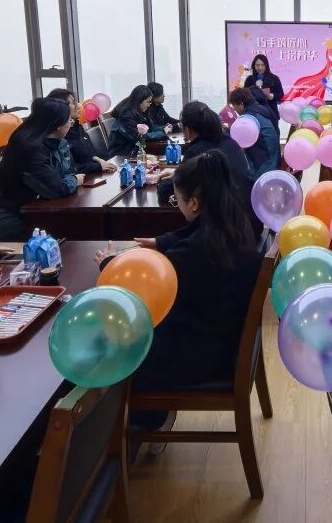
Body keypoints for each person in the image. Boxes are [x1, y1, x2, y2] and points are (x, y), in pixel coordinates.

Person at [97, 150, 261, 392]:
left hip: (202, 353)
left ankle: (140, 410)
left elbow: (147, 290)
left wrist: (109, 264)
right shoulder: (233, 220)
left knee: (113, 344)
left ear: (193, 203)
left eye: (177, 201)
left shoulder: (195, 252)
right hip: (222, 333)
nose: (177, 205)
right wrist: (161, 242)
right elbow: (192, 231)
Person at [0, 97, 84, 240]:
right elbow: (57, 189)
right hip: (20, 222)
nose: (71, 123)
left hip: (43, 211)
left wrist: (69, 178)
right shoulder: (29, 149)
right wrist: (74, 180)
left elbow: (69, 171)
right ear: (57, 125)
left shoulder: (57, 142)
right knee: (77, 232)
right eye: (69, 121)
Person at [154, 100, 253, 209]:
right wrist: (177, 174)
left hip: (221, 215)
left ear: (186, 130)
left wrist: (164, 182)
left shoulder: (195, 152)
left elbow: (169, 191)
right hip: (245, 210)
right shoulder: (231, 142)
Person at [46, 88, 117, 175]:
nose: (78, 105)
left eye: (76, 101)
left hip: (91, 173)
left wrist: (99, 160)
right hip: (81, 177)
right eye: (73, 103)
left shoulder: (77, 125)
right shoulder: (59, 134)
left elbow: (90, 152)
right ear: (61, 107)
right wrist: (98, 166)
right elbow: (71, 168)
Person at [228, 87, 279, 176]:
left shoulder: (250, 117)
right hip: (272, 158)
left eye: (234, 105)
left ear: (241, 104)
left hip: (262, 164)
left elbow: (239, 141)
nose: (234, 110)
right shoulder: (259, 110)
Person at [107, 85, 153, 159]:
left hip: (131, 151)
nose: (149, 105)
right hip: (121, 155)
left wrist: (146, 115)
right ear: (139, 100)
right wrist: (162, 133)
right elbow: (137, 137)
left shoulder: (135, 112)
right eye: (148, 102)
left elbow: (149, 129)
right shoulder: (126, 115)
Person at [243, 54, 284, 119]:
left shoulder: (274, 78)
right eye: (257, 65)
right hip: (254, 113)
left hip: (271, 113)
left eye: (262, 65)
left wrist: (272, 96)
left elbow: (280, 94)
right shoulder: (249, 79)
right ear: (254, 66)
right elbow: (244, 94)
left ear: (266, 65)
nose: (260, 68)